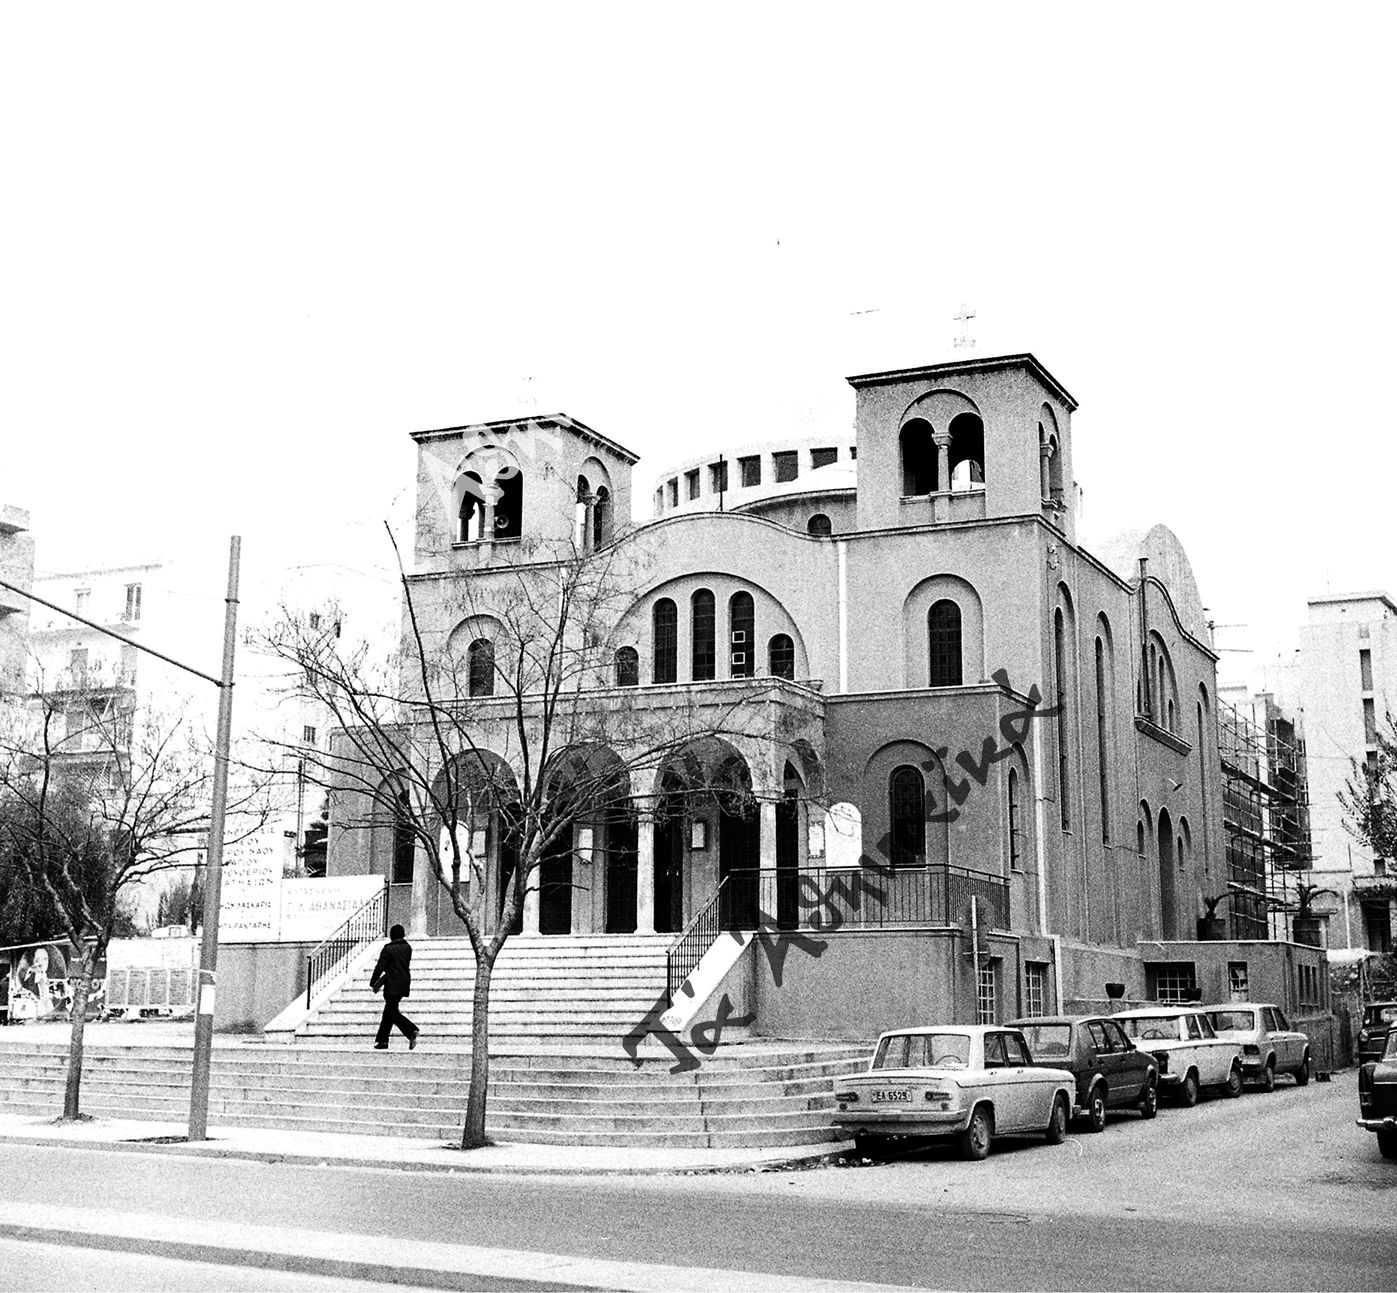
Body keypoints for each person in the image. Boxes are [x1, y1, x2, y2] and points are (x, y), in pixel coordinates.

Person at [369, 924, 419, 1050]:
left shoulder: (388, 949)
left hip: (392, 984)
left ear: (391, 935)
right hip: (404, 982)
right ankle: (382, 1041)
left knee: (391, 1012)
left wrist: (374, 982)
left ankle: (411, 1031)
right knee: (389, 1010)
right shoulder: (407, 948)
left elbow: (380, 967)